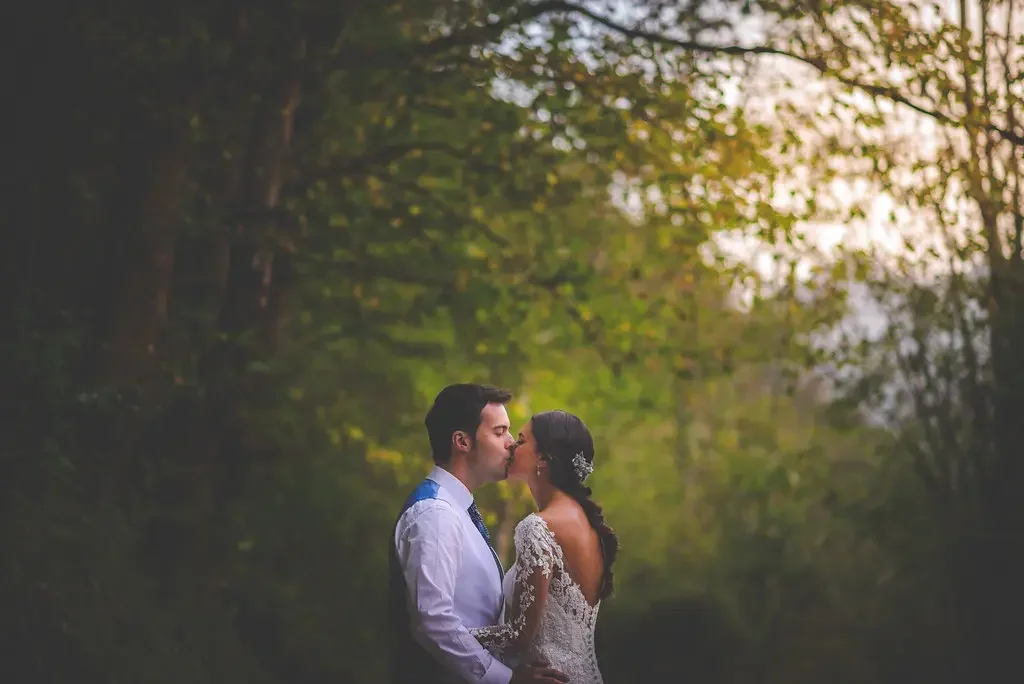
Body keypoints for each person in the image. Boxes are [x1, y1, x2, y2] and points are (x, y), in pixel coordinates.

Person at [388, 383, 569, 684]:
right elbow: (432, 619)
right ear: (462, 441)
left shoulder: (456, 510)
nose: (512, 443)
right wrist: (506, 679)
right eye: (500, 432)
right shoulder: (435, 514)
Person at [470, 410, 618, 684]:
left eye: (522, 440)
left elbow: (519, 635)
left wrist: (455, 636)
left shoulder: (537, 528)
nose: (513, 444)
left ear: (543, 458)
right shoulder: (585, 523)